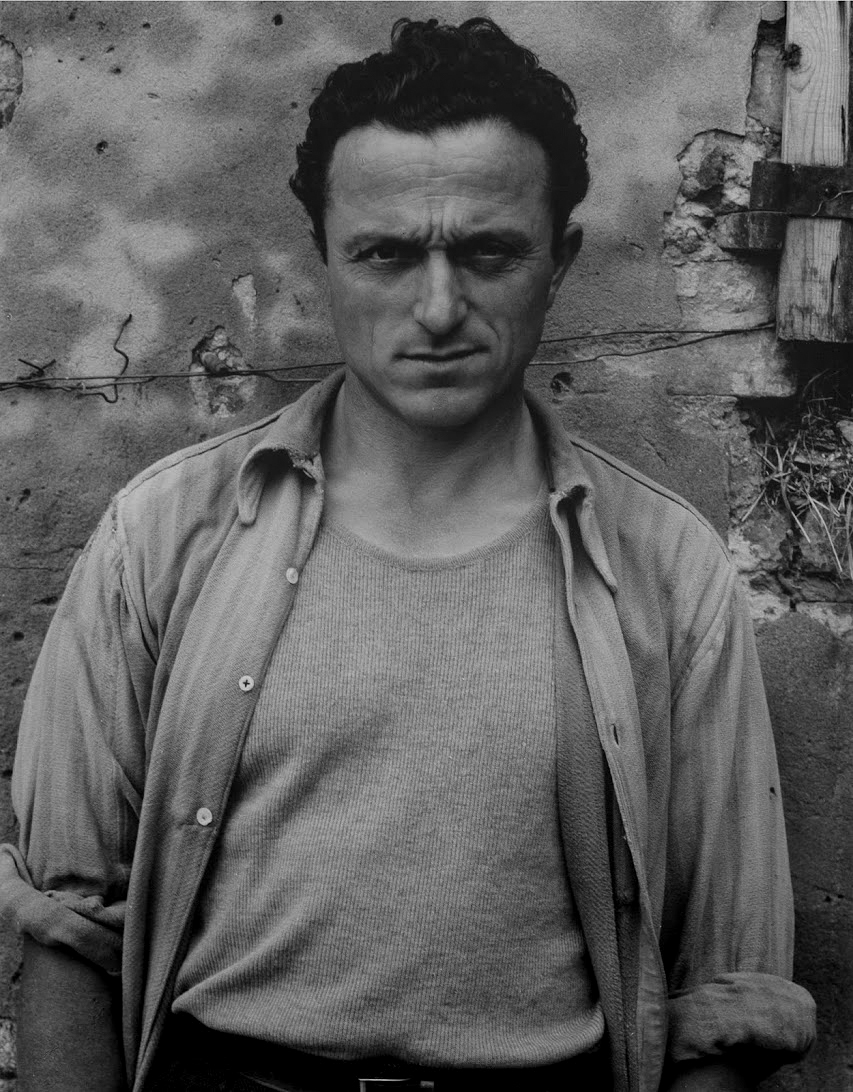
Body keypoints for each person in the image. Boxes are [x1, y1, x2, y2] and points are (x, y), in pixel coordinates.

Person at [0, 16, 815, 1092]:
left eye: (488, 252)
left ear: (558, 263)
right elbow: (67, 928)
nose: (438, 308)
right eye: (386, 253)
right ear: (325, 261)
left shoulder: (668, 568)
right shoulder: (158, 536)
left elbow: (727, 990)